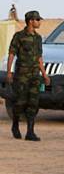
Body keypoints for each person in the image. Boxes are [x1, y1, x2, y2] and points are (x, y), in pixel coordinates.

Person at [6, 10, 50, 141]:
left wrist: (44, 74)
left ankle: (30, 132)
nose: (39, 22)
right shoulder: (19, 36)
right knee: (20, 102)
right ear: (30, 21)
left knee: (33, 102)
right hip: (22, 75)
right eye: (37, 20)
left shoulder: (38, 38)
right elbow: (12, 54)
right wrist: (9, 72)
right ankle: (15, 125)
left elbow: (39, 57)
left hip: (34, 76)